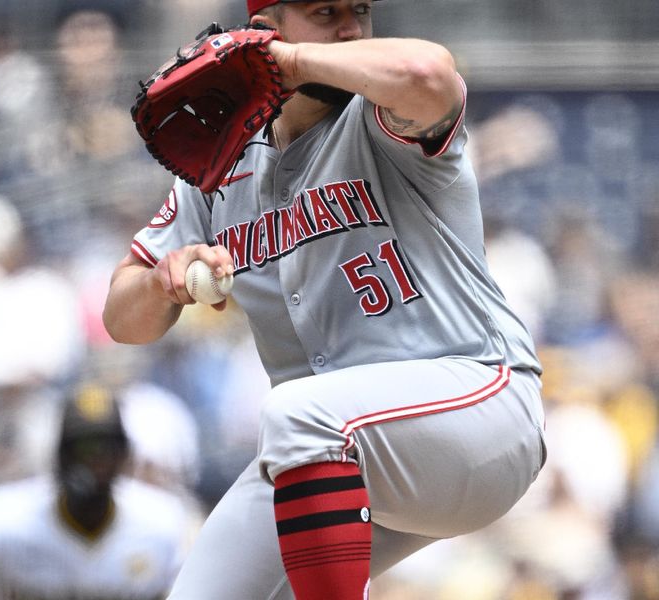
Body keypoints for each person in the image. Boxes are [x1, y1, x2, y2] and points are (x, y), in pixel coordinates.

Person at [103, 1, 547, 598]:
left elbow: (429, 74)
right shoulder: (222, 160)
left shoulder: (383, 114)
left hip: (479, 408)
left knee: (298, 416)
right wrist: (163, 279)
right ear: (265, 30)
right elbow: (120, 317)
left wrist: (290, 59)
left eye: (359, 11)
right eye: (326, 11)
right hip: (340, 451)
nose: (350, 30)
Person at [0, 382, 196, 600]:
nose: (95, 462)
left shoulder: (162, 524)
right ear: (59, 456)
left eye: (106, 449)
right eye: (83, 448)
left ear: (124, 456)